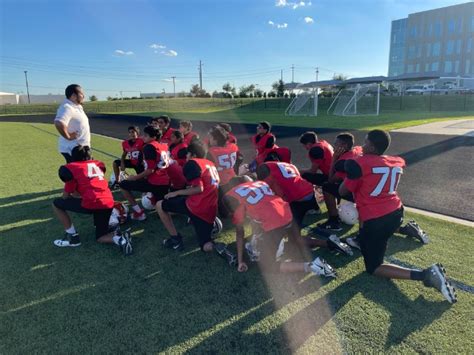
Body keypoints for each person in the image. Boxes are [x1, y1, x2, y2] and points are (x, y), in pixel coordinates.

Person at [339, 129, 457, 303]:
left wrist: (349, 173)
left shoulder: (361, 163)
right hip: (396, 212)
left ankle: (426, 275)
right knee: (369, 236)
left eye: (365, 142)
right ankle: (381, 235)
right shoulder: (396, 161)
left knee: (374, 267)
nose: (363, 145)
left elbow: (343, 191)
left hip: (377, 220)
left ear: (371, 145)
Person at [222, 176, 336, 277]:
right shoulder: (259, 183)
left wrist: (241, 260)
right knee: (296, 239)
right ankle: (330, 243)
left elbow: (240, 233)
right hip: (286, 212)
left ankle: (313, 266)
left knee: (270, 265)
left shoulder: (232, 197)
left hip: (274, 223)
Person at [156, 142, 234, 263]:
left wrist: (176, 193)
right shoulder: (210, 164)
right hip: (210, 209)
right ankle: (220, 247)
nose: (186, 156)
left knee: (160, 205)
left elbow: (199, 188)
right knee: (205, 245)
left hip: (196, 206)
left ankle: (175, 239)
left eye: (187, 154)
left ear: (192, 154)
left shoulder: (193, 163)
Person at [256, 161, 352, 256]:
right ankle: (314, 210)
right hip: (308, 191)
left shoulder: (270, 178)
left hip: (299, 200)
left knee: (293, 238)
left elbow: (282, 199)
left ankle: (328, 243)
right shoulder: (273, 164)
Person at [52, 145, 132, 255]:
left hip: (93, 203)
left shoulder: (73, 169)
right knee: (100, 237)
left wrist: (74, 194)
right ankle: (120, 239)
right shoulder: (98, 165)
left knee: (57, 203)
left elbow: (65, 197)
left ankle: (72, 237)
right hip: (108, 203)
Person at [119, 126, 170, 221]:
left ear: (154, 137)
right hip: (165, 181)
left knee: (123, 185)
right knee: (163, 208)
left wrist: (134, 177)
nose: (143, 137)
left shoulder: (149, 147)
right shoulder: (162, 145)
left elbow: (150, 170)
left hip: (155, 182)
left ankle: (139, 213)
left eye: (146, 135)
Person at [317, 133, 362, 231]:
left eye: (336, 144)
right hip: (367, 190)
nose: (334, 146)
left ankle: (333, 221)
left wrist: (334, 158)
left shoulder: (343, 161)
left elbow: (331, 180)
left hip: (358, 194)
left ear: (344, 146)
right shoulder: (357, 150)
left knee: (327, 187)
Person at [206, 126, 241, 216]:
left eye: (210, 137)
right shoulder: (233, 146)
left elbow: (207, 169)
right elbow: (239, 160)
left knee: (224, 213)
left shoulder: (212, 151)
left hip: (221, 184)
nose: (209, 139)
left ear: (215, 139)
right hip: (233, 179)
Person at [54, 84, 91, 163]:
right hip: (74, 150)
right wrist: (68, 136)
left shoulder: (76, 107)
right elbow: (58, 123)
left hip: (81, 149)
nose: (83, 96)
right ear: (74, 96)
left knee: (82, 173)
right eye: (81, 94)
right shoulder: (67, 107)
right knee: (78, 173)